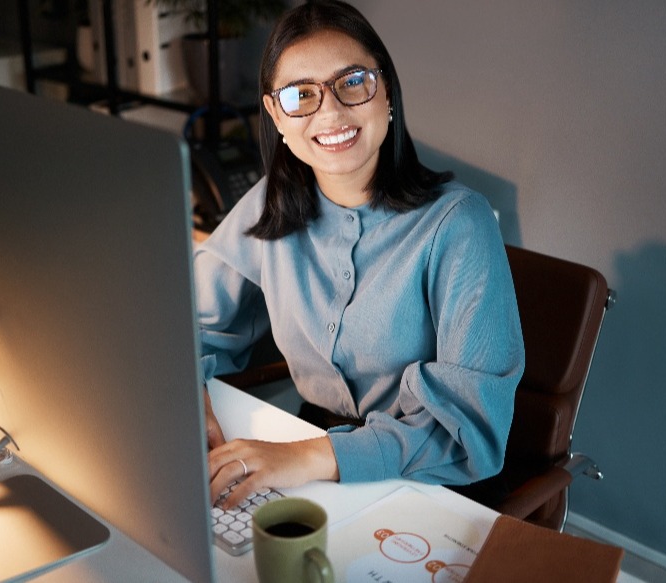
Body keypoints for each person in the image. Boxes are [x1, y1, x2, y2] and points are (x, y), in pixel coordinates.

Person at [196, 0, 525, 509]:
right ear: (275, 115)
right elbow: (188, 322)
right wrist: (191, 398)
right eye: (300, 94)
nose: (329, 112)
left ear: (386, 90)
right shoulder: (270, 202)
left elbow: (470, 432)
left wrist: (308, 457)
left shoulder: (459, 224)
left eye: (352, 82)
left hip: (435, 482)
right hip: (314, 455)